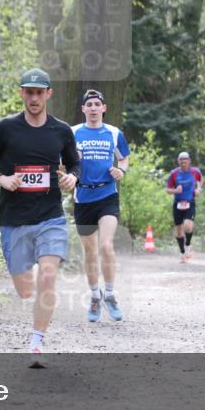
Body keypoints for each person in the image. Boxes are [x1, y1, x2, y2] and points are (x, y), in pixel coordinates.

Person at [0, 68, 80, 365]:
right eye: (29, 91)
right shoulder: (6, 129)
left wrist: (72, 178)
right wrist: (1, 179)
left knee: (48, 275)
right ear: (22, 93)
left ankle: (36, 343)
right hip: (14, 220)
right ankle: (29, 284)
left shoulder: (61, 131)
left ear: (49, 94)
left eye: (39, 92)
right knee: (24, 290)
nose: (34, 97)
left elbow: (75, 164)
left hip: (51, 217)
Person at [71, 89, 130, 323]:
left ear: (104, 108)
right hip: (83, 197)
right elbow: (63, 160)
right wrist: (68, 176)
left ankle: (111, 295)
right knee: (90, 251)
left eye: (98, 104)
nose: (94, 108)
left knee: (106, 245)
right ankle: (95, 296)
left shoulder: (114, 133)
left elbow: (123, 157)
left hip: (107, 195)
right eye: (90, 104)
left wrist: (121, 169)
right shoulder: (73, 133)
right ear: (84, 109)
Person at [165, 151, 202, 263]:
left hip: (190, 202)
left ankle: (188, 245)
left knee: (188, 226)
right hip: (178, 203)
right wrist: (175, 190)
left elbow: (200, 181)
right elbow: (167, 189)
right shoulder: (174, 174)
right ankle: (183, 253)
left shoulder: (195, 172)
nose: (184, 165)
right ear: (178, 162)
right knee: (179, 232)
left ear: (189, 161)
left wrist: (198, 189)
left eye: (185, 162)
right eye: (181, 162)